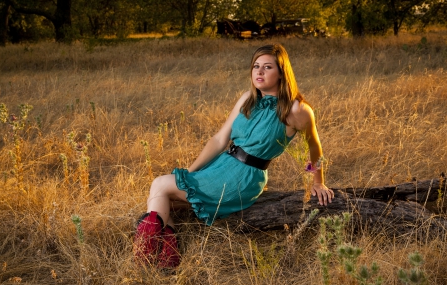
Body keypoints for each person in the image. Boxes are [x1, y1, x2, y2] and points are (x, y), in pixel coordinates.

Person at [133, 43, 334, 268]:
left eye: (267, 67)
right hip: (222, 166)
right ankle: (166, 257)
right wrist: (189, 173)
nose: (259, 72)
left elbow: (314, 147)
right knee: (163, 195)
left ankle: (145, 257)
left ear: (281, 73)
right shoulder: (247, 99)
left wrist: (319, 182)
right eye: (256, 66)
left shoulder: (297, 110)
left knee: (159, 185)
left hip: (244, 177)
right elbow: (219, 140)